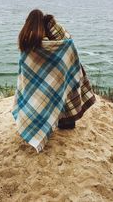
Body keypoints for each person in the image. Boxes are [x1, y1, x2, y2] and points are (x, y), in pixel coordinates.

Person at [12, 9, 96, 152]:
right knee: (62, 91)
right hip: (59, 72)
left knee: (39, 100)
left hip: (52, 74)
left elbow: (26, 64)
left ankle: (45, 125)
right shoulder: (48, 31)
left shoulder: (26, 38)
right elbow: (67, 42)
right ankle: (64, 122)